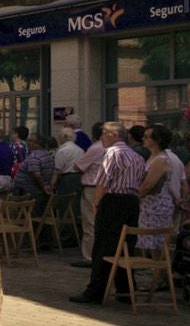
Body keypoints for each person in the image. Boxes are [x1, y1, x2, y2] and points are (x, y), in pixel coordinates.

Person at [71, 121, 144, 305]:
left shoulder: (111, 153)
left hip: (113, 200)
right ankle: (126, 290)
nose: (101, 137)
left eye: (104, 133)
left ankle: (95, 291)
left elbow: (102, 181)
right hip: (131, 201)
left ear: (115, 135)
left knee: (103, 246)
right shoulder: (136, 156)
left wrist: (96, 204)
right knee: (125, 246)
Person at [136, 125, 180, 251]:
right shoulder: (152, 158)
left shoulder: (160, 160)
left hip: (156, 206)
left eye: (146, 137)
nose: (142, 139)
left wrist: (133, 196)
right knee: (150, 241)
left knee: (156, 243)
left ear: (157, 140)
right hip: (149, 205)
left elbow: (148, 185)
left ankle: (159, 268)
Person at [71, 121, 107, 267]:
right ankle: (102, 253)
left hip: (93, 187)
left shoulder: (96, 148)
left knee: (90, 223)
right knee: (102, 223)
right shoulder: (112, 148)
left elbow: (78, 165)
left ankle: (89, 257)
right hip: (107, 187)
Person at [13, 133, 55, 215]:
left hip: (29, 190)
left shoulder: (35, 156)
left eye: (30, 141)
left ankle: (27, 227)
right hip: (36, 189)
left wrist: (44, 185)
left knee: (26, 214)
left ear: (37, 143)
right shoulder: (47, 154)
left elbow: (36, 174)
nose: (27, 143)